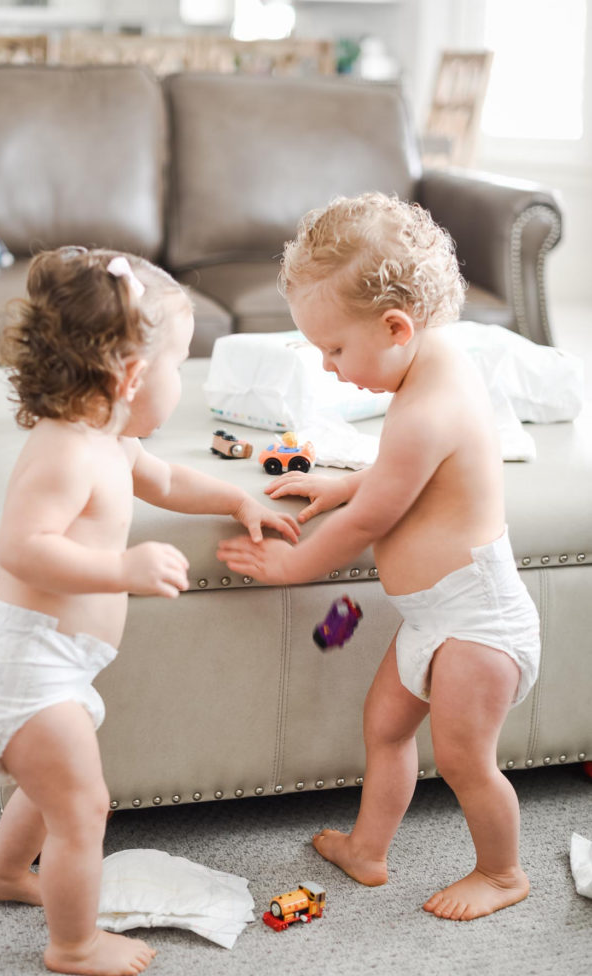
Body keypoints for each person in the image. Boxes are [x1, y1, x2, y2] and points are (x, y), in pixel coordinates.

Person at [0, 246, 299, 976]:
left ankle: (1, 872)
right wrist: (121, 567)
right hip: (27, 669)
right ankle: (73, 942)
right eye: (180, 363)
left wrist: (237, 497)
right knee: (85, 808)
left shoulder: (111, 439)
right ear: (130, 376)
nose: (183, 378)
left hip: (58, 666)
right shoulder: (64, 453)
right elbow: (21, 547)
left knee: (52, 791)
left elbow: (169, 478)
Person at [217, 193, 541, 922]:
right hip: (435, 614)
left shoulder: (426, 405)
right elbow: (408, 476)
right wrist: (342, 480)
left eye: (334, 349)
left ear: (396, 327)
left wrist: (292, 568)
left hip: (477, 623)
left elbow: (376, 514)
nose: (328, 368)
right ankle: (368, 847)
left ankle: (502, 870)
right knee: (386, 725)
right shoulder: (432, 370)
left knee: (462, 761)